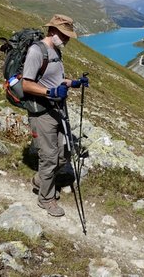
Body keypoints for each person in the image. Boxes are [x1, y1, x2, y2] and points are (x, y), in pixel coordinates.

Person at [21, 14, 88, 217]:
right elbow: (26, 84)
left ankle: (41, 180)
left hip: (58, 110)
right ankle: (46, 199)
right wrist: (49, 93)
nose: (67, 39)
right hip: (42, 113)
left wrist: (73, 83)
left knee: (64, 155)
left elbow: (55, 79)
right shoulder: (36, 51)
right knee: (49, 157)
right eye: (64, 34)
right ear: (52, 31)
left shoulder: (55, 51)